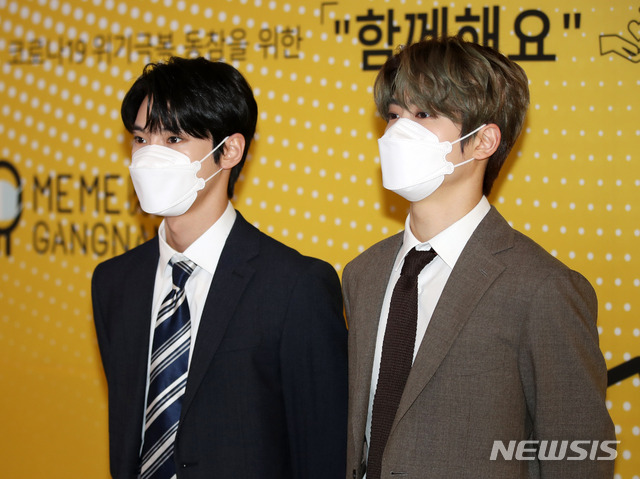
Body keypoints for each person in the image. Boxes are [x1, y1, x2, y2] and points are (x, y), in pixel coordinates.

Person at [342, 36, 616, 479]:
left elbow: (578, 456)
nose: (397, 132)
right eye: (393, 115)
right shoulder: (363, 274)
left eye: (424, 114)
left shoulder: (542, 287)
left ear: (484, 140)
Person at [91, 57, 347, 479]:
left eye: (173, 138)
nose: (150, 156)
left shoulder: (294, 285)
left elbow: (322, 451)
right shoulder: (115, 282)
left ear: (229, 150)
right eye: (140, 138)